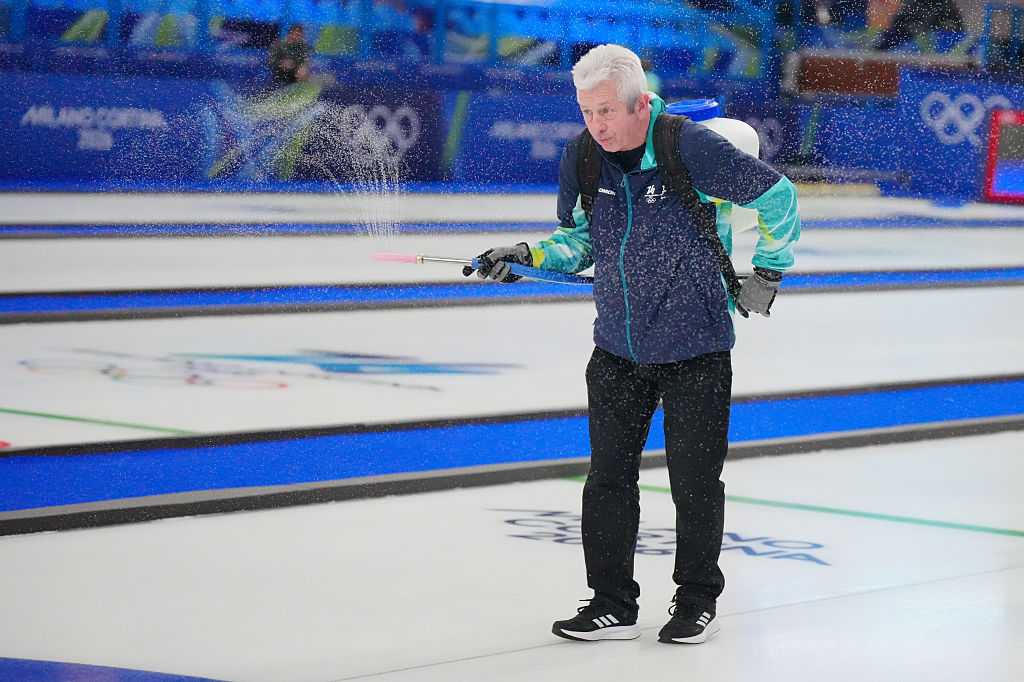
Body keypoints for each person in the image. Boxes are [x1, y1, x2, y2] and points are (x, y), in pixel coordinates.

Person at [465, 44, 800, 645]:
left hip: (696, 347)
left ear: (640, 103)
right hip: (617, 349)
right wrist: (527, 255)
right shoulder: (583, 159)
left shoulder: (686, 146)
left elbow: (778, 198)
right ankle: (611, 602)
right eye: (586, 113)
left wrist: (768, 273)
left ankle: (696, 599)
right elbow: (576, 243)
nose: (597, 125)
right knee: (607, 480)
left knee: (694, 483)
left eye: (607, 112)